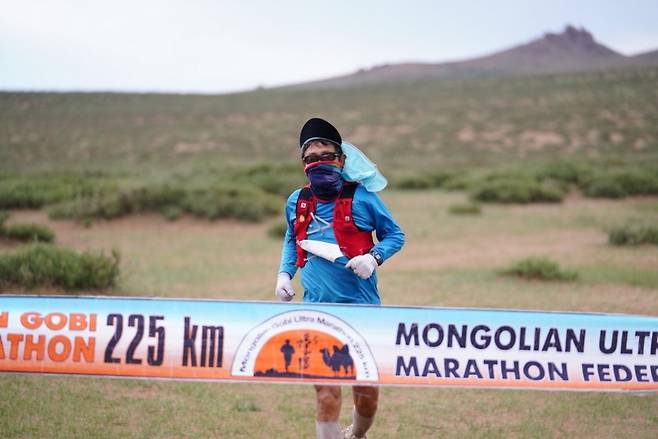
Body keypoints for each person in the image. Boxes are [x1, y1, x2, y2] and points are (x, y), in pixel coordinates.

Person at [274, 117, 405, 439]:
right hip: (317, 310)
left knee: (366, 393)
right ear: (302, 164)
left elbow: (395, 235)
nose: (318, 163)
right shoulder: (297, 200)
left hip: (362, 308)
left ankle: (356, 435)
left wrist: (372, 258)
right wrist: (284, 273)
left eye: (325, 156)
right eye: (310, 159)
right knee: (327, 392)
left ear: (341, 160)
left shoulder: (363, 197)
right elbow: (293, 238)